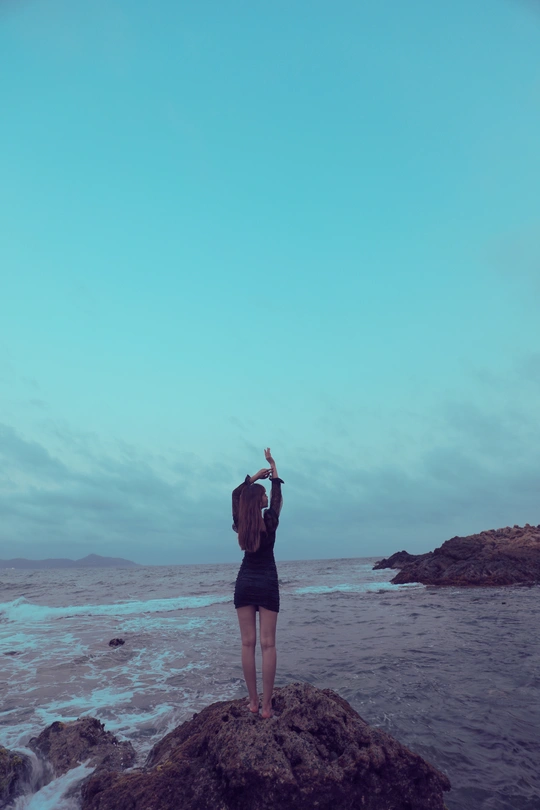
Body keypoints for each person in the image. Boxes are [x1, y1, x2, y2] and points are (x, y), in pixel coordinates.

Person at [232, 448, 284, 718]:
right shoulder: (269, 522)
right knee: (268, 645)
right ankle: (266, 707)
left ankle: (253, 702)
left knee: (247, 644)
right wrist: (273, 468)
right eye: (261, 495)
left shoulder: (242, 523)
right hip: (266, 582)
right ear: (259, 501)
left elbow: (236, 495)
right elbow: (277, 498)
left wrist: (253, 478)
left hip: (245, 583)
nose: (265, 497)